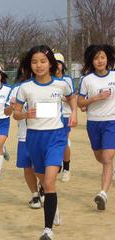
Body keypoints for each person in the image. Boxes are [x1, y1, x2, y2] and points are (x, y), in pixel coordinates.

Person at [14, 45, 77, 240]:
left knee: (49, 181)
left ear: (51, 63)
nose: (39, 65)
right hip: (34, 137)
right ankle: (53, 206)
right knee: (44, 181)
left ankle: (47, 229)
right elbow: (16, 114)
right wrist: (25, 113)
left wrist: (73, 112)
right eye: (34, 62)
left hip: (56, 136)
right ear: (29, 65)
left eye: (43, 61)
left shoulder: (62, 84)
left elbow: (71, 98)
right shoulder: (25, 88)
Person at [77, 44, 115, 211]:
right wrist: (96, 98)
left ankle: (103, 194)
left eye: (102, 57)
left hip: (112, 121)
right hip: (93, 123)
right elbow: (80, 103)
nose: (100, 61)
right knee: (100, 157)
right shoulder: (87, 80)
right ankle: (111, 170)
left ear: (107, 59)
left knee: (107, 158)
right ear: (91, 61)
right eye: (96, 58)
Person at [9, 57, 42, 209]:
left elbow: (54, 111)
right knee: (27, 167)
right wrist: (16, 109)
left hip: (43, 133)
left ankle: (43, 187)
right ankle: (35, 195)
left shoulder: (47, 86)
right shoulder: (17, 89)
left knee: (40, 166)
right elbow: (11, 113)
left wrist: (37, 111)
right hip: (24, 134)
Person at [54, 53, 75, 182]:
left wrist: (61, 97)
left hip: (65, 114)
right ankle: (58, 164)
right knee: (54, 142)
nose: (57, 66)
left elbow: (71, 98)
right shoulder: (48, 78)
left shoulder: (67, 79)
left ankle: (66, 168)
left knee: (64, 142)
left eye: (59, 63)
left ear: (62, 65)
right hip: (51, 115)